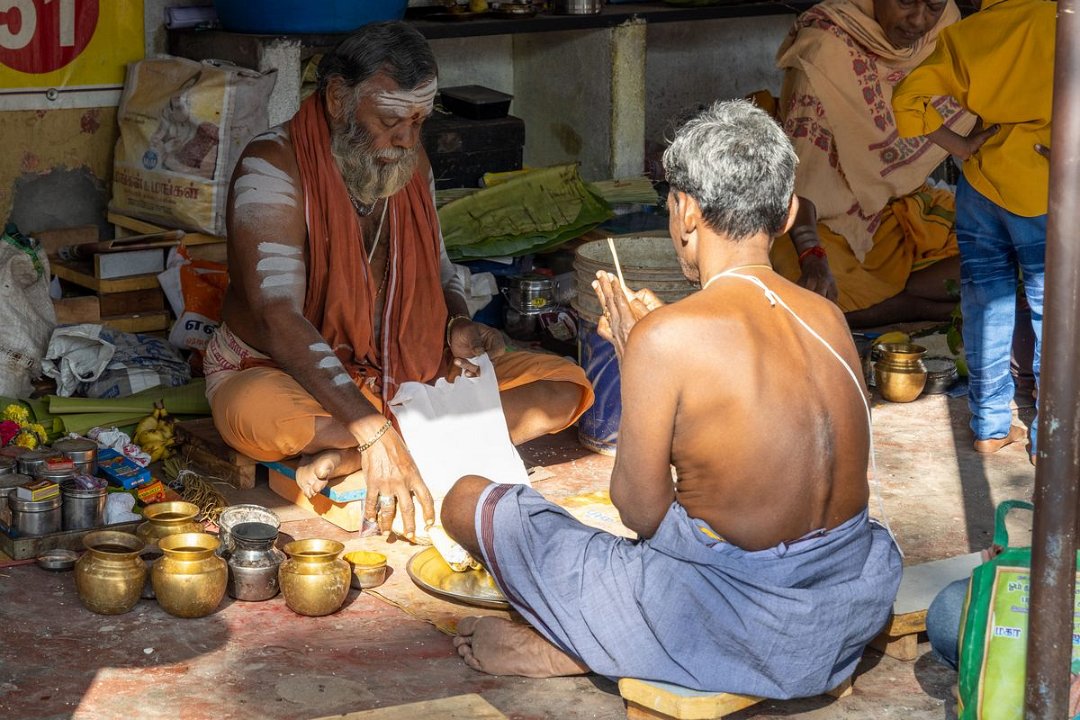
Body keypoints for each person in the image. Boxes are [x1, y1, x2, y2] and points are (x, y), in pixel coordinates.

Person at [440, 100, 902, 696]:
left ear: (684, 211)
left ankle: (583, 644)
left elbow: (641, 512)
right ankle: (614, 639)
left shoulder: (670, 335)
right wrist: (650, 364)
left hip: (738, 622)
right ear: (787, 214)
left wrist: (643, 370)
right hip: (846, 604)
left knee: (470, 501)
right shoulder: (829, 317)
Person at [203, 21, 594, 537]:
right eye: (391, 121)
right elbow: (277, 318)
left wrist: (456, 322)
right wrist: (368, 428)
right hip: (281, 374)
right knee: (255, 413)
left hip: (405, 372)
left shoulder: (411, 161)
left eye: (418, 121)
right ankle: (386, 444)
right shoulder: (272, 165)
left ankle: (363, 457)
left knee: (564, 387)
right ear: (339, 98)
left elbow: (440, 270)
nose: (406, 139)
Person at [891, 0, 1054, 461]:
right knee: (1053, 311)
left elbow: (907, 97)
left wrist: (960, 144)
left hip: (980, 185)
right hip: (1042, 184)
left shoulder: (968, 34)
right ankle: (1048, 439)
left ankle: (987, 427)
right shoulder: (1062, 21)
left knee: (985, 301)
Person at [765, 0, 993, 327]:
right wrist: (811, 255)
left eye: (932, 6)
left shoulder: (945, 29)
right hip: (821, 221)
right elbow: (798, 184)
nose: (918, 21)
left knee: (1000, 252)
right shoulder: (824, 51)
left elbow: (963, 108)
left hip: (897, 211)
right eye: (905, 2)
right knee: (808, 302)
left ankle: (900, 295)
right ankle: (915, 306)